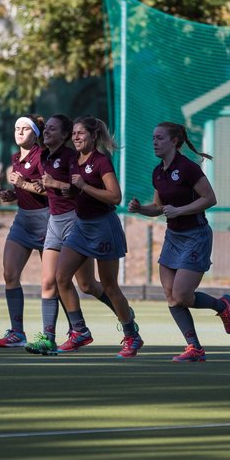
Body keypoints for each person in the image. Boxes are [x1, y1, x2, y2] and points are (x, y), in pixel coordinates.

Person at [128, 122, 230, 362]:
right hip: (173, 237)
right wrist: (140, 210)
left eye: (160, 138)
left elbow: (210, 199)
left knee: (181, 294)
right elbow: (158, 207)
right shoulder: (158, 172)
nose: (154, 142)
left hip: (196, 236)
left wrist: (180, 210)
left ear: (174, 141)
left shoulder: (188, 168)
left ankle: (222, 306)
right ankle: (195, 347)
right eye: (153, 138)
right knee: (171, 296)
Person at [24, 114, 117, 355]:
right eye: (47, 129)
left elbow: (74, 188)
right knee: (50, 280)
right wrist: (25, 189)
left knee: (86, 284)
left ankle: (123, 313)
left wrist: (55, 185)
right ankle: (50, 337)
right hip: (54, 221)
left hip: (75, 221)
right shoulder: (44, 156)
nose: (47, 133)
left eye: (53, 130)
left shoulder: (71, 157)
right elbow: (48, 187)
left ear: (64, 135)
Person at [55, 116, 143, 357]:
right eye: (73, 133)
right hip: (82, 226)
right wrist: (68, 191)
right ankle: (80, 331)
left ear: (94, 136)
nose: (76, 137)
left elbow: (115, 197)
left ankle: (131, 336)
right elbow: (79, 194)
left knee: (110, 286)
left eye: (81, 133)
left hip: (104, 227)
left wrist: (83, 186)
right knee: (63, 278)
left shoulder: (101, 161)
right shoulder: (74, 160)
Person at [0, 115, 49, 349]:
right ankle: (17, 332)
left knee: (55, 281)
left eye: (25, 129)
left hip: (46, 221)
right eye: (16, 128)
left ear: (35, 134)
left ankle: (67, 331)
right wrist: (12, 194)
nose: (19, 132)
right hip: (23, 221)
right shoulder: (16, 158)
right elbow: (26, 190)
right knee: (9, 273)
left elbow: (50, 191)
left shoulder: (42, 156)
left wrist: (23, 183)